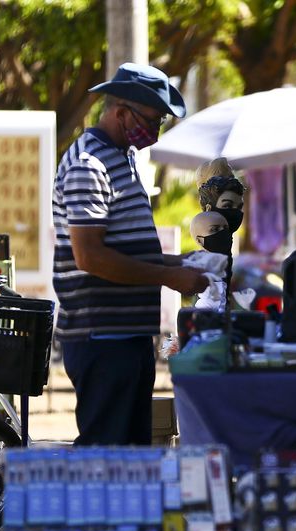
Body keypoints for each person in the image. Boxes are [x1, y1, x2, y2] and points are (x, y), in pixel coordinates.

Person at [52, 63, 209, 446]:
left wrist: (182, 263)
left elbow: (129, 247)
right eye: (152, 120)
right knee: (107, 453)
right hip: (103, 338)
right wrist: (169, 277)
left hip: (128, 336)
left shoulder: (121, 158)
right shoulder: (89, 164)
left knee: (130, 456)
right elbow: (91, 257)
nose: (154, 132)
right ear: (120, 112)